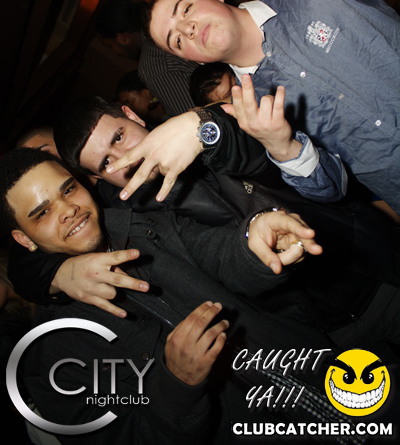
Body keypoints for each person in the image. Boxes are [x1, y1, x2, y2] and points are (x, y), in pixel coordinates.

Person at [1, 148, 350, 445]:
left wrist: (257, 243)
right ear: (24, 239)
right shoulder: (52, 356)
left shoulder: (147, 229)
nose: (68, 209)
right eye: (42, 213)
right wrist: (177, 386)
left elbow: (220, 253)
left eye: (68, 189)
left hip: (323, 380)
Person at [117, 0, 400, 214]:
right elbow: (334, 188)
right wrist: (283, 146)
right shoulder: (253, 113)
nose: (187, 29)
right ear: (190, 59)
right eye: (177, 41)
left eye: (186, 9)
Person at [95, 0, 198, 116]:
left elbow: (192, 115)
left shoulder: (152, 63)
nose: (116, 53)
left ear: (121, 38)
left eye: (110, 46)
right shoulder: (166, 26)